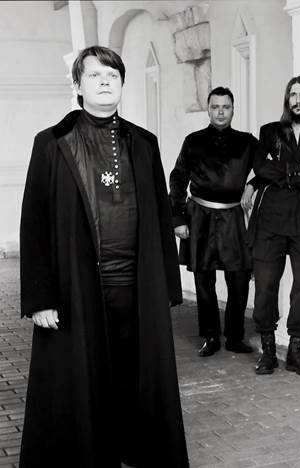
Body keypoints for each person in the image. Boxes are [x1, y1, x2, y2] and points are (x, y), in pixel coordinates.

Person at [19, 46, 189, 468]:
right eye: (95, 75)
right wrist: (39, 298)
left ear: (122, 84)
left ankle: (132, 447)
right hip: (76, 287)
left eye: (112, 75)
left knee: (133, 375)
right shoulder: (51, 144)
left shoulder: (144, 144)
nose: (105, 82)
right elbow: (34, 224)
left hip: (134, 284)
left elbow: (159, 214)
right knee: (83, 379)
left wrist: (167, 285)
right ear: (78, 85)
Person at [248, 76, 300, 376]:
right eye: (293, 95)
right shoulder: (270, 131)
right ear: (287, 100)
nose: (298, 100)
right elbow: (261, 167)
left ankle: (296, 352)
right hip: (270, 221)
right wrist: (297, 168)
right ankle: (268, 351)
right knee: (266, 286)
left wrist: (280, 177)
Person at [169, 87, 260, 357]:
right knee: (204, 280)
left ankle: (234, 336)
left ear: (233, 110)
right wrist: (178, 218)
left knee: (239, 277)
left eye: (226, 107)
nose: (221, 112)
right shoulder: (193, 141)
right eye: (215, 107)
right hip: (200, 216)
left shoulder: (247, 142)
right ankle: (210, 336)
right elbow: (177, 178)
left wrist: (252, 185)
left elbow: (268, 168)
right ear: (208, 110)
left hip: (233, 216)